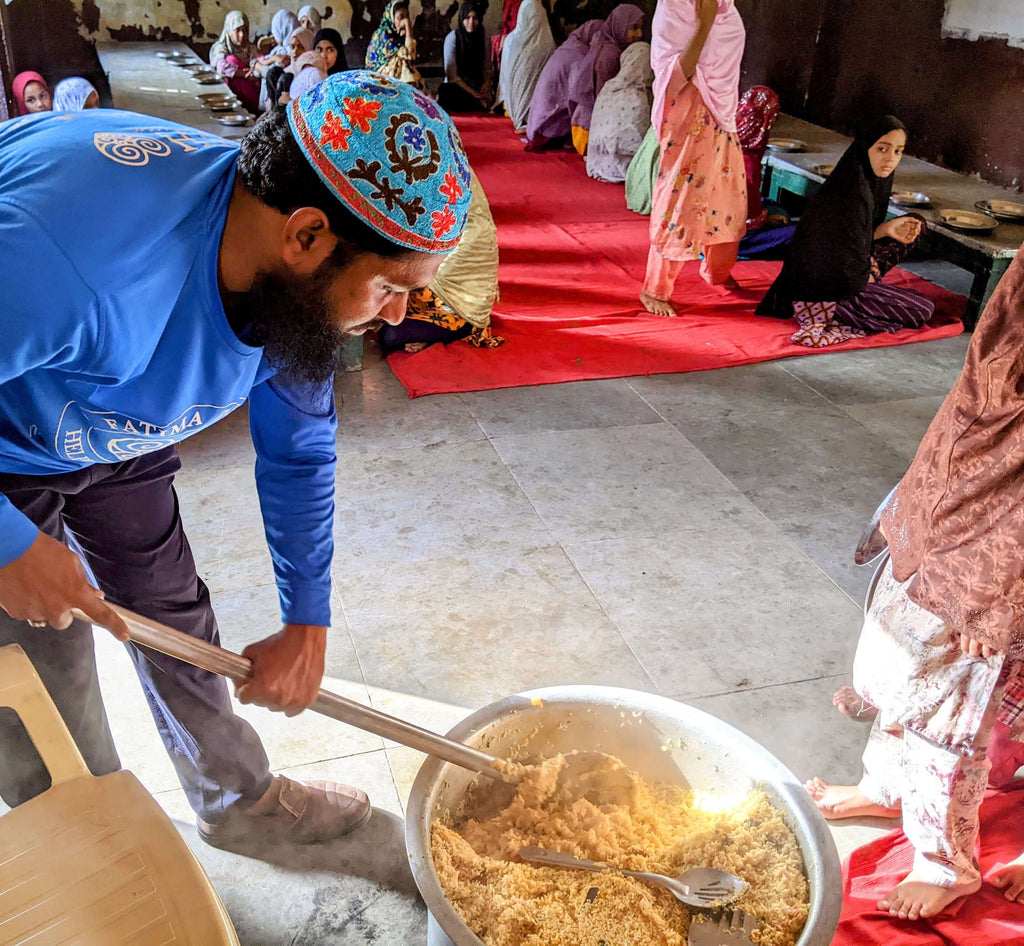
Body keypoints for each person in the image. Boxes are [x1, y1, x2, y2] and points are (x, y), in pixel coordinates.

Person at [0, 71, 471, 849]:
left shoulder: (284, 272)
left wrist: (306, 619)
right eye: (391, 285)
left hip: (106, 421)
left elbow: (298, 453)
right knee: (40, 669)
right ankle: (85, 842)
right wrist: (11, 545)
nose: (397, 315)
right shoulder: (73, 267)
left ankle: (237, 804)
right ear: (308, 236)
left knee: (172, 613)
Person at [802, 246, 1024, 919]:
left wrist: (991, 594)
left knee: (948, 711)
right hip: (970, 495)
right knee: (910, 674)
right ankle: (888, 789)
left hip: (1000, 557)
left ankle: (945, 865)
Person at [756, 116, 934, 347]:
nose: (890, 159)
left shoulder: (872, 180)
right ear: (865, 147)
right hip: (826, 289)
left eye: (898, 151)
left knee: (914, 224)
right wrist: (863, 274)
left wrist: (886, 230)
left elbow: (851, 235)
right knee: (922, 309)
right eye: (882, 149)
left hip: (852, 264)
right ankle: (841, 310)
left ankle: (868, 290)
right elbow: (832, 253)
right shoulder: (852, 192)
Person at [640, 0, 747, 317]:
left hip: (722, 112)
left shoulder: (725, 6)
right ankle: (655, 288)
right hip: (689, 111)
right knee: (681, 198)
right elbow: (674, 74)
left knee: (728, 197)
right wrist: (703, 26)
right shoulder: (675, 7)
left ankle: (716, 271)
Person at [380, 171, 503, 353]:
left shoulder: (467, 223)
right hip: (424, 299)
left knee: (390, 334)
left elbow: (424, 261)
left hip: (458, 310)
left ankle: (460, 331)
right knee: (379, 317)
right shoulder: (427, 191)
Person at [565, 4, 644, 155]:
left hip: (583, 125)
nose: (639, 34)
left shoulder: (606, 45)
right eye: (634, 28)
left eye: (640, 28)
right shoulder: (609, 55)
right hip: (588, 130)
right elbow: (604, 99)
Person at [734, 85, 795, 258]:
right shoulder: (748, 161)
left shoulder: (726, 143)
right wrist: (765, 219)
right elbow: (740, 214)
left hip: (707, 226)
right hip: (736, 236)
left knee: (774, 207)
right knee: (798, 232)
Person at [523, 18, 603, 150]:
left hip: (537, 120)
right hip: (548, 127)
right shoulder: (579, 58)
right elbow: (577, 96)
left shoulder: (568, 48)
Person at [586, 40, 652, 182]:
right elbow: (638, 137)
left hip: (598, 160)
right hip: (626, 163)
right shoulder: (637, 95)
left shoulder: (609, 86)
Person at [494, 0, 555, 132]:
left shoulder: (546, 42)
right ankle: (522, 117)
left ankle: (528, 118)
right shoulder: (512, 41)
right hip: (514, 102)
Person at [439, 2, 491, 112]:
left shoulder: (484, 37)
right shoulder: (453, 38)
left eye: (475, 18)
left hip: (476, 84)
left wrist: (486, 84)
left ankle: (478, 102)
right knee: (447, 92)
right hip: (458, 87)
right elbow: (452, 76)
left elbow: (486, 67)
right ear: (462, 18)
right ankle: (476, 103)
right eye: (467, 18)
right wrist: (474, 94)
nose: (471, 22)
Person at [210, 10, 262, 112]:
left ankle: (253, 107)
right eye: (237, 30)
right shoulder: (221, 47)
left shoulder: (250, 48)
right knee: (231, 60)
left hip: (250, 91)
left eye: (245, 30)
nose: (242, 35)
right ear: (229, 30)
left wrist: (253, 71)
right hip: (229, 95)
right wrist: (242, 73)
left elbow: (255, 62)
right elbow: (221, 67)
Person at [365, 0, 424, 87]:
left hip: (389, 77)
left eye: (406, 17)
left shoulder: (397, 35)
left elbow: (412, 56)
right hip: (377, 79)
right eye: (400, 18)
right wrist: (407, 25)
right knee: (402, 64)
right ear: (391, 18)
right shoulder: (383, 34)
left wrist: (407, 28)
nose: (403, 21)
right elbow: (409, 54)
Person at [255, 9, 300, 111]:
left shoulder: (291, 51)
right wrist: (271, 59)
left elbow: (271, 73)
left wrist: (257, 65)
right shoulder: (279, 49)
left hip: (277, 105)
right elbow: (256, 71)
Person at [278, 28, 327, 105]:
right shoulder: (285, 74)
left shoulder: (315, 73)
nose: (295, 51)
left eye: (301, 47)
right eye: (292, 47)